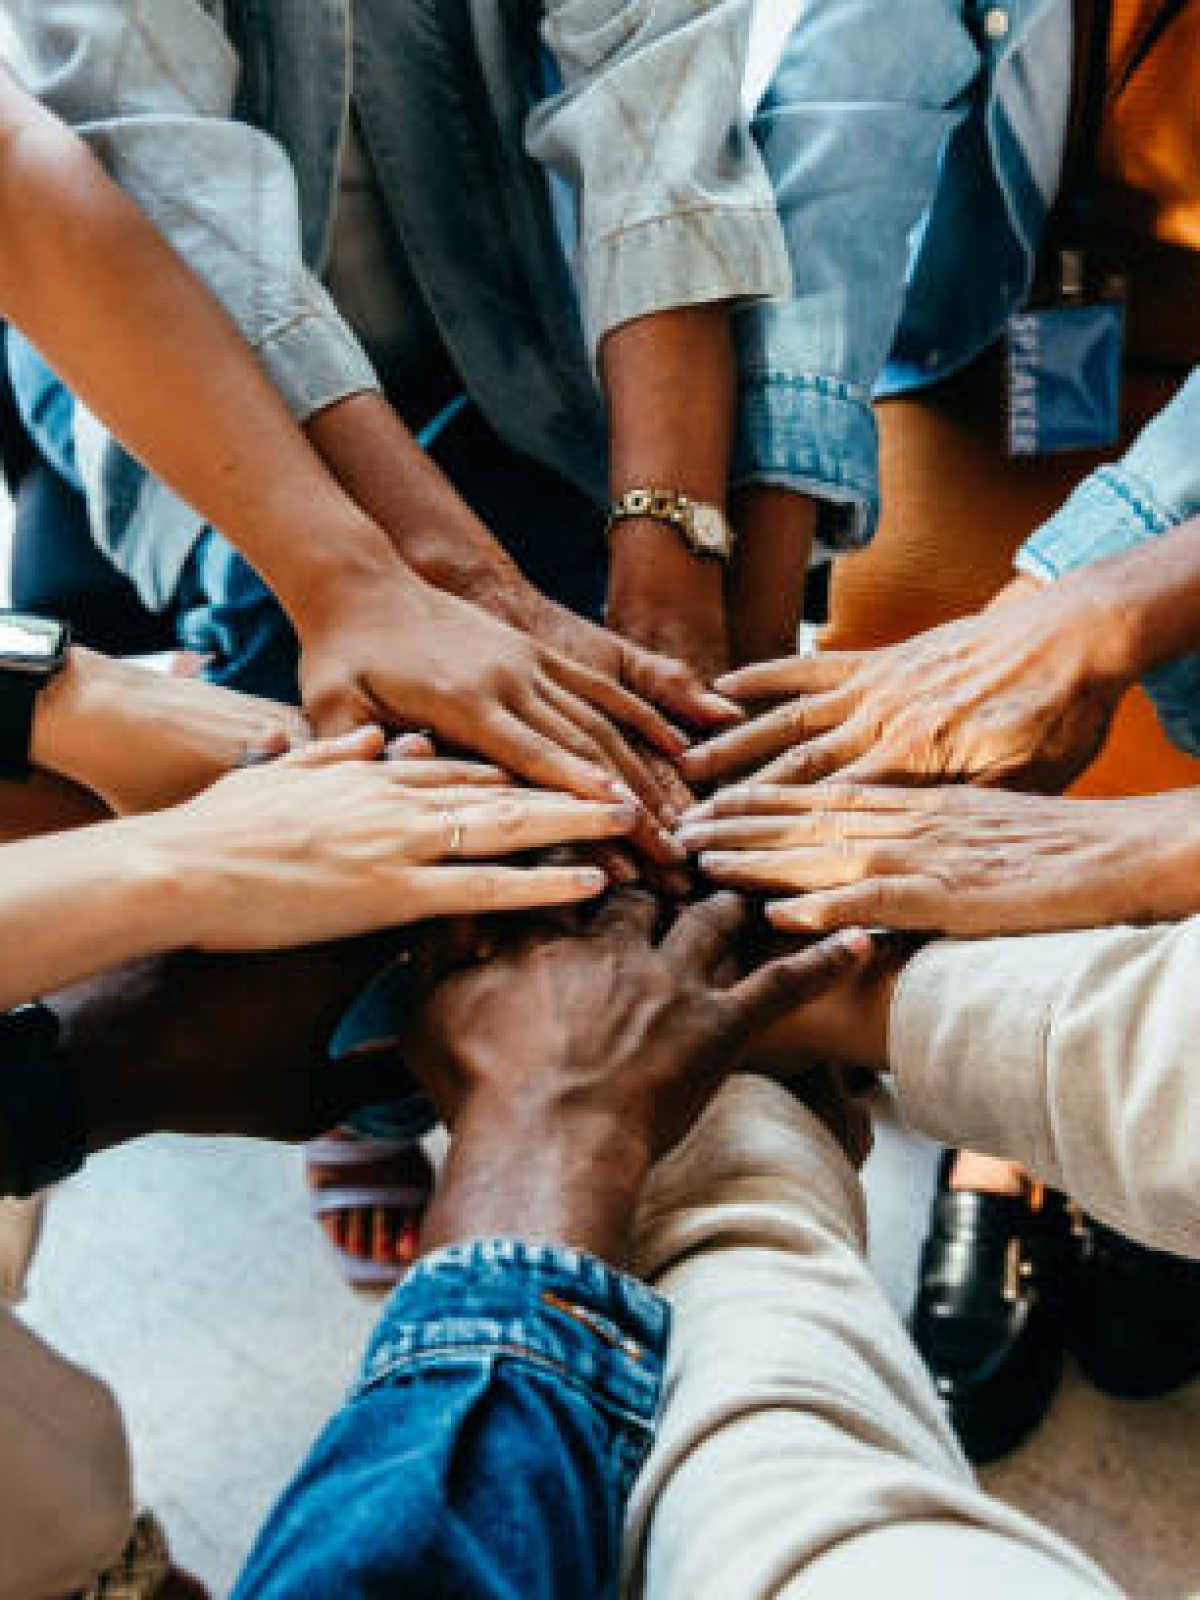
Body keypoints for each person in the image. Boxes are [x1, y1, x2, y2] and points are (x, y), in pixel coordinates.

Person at [678, 0, 1200, 1460]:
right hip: (1009, 325)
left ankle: (1124, 1070)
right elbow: (844, 114)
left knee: (1070, 711)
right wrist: (753, 601)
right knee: (895, 673)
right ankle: (1010, 1113)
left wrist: (1092, 598)